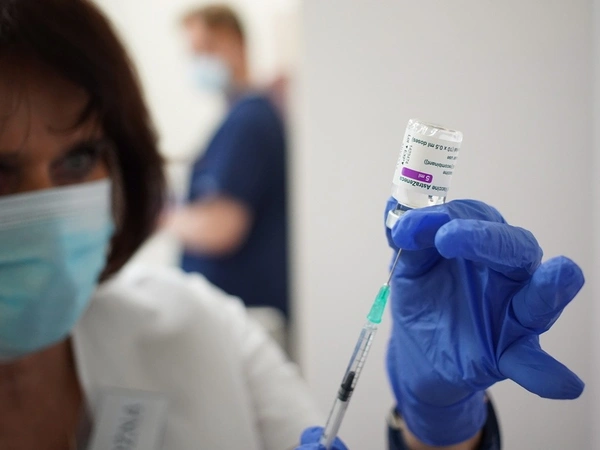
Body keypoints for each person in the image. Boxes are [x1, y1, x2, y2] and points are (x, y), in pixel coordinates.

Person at [0, 1, 584, 449]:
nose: (47, 209)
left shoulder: (206, 330)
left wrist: (441, 427)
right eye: (1, 170)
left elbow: (222, 224)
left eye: (77, 159)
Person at [164, 5, 291, 322]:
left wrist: (157, 215)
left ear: (236, 44)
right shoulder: (241, 117)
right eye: (193, 53)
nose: (199, 62)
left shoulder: (248, 121)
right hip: (232, 312)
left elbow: (220, 227)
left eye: (207, 48)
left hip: (243, 313)